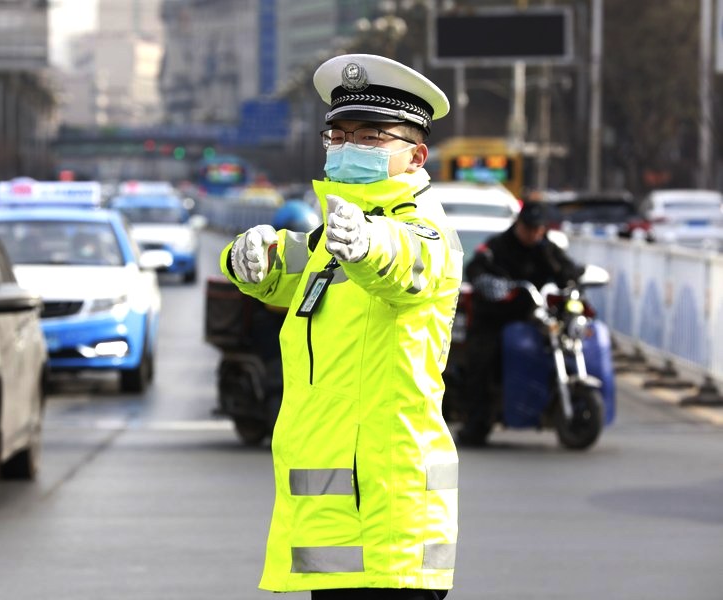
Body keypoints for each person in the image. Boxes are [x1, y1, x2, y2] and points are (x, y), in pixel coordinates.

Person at [219, 54, 463, 599]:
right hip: (335, 520)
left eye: (373, 135)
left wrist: (369, 244)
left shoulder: (422, 232)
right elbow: (288, 267)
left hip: (389, 517)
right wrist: (242, 256)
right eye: (340, 133)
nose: (350, 146)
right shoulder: (332, 234)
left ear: (416, 154)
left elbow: (404, 264)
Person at [456, 201, 585, 446]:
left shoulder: (545, 248)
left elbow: (567, 270)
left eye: (540, 229)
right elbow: (475, 268)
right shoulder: (497, 246)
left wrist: (577, 277)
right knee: (482, 359)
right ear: (519, 225)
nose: (535, 233)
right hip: (496, 317)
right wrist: (491, 285)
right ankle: (476, 423)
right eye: (530, 228)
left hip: (533, 315)